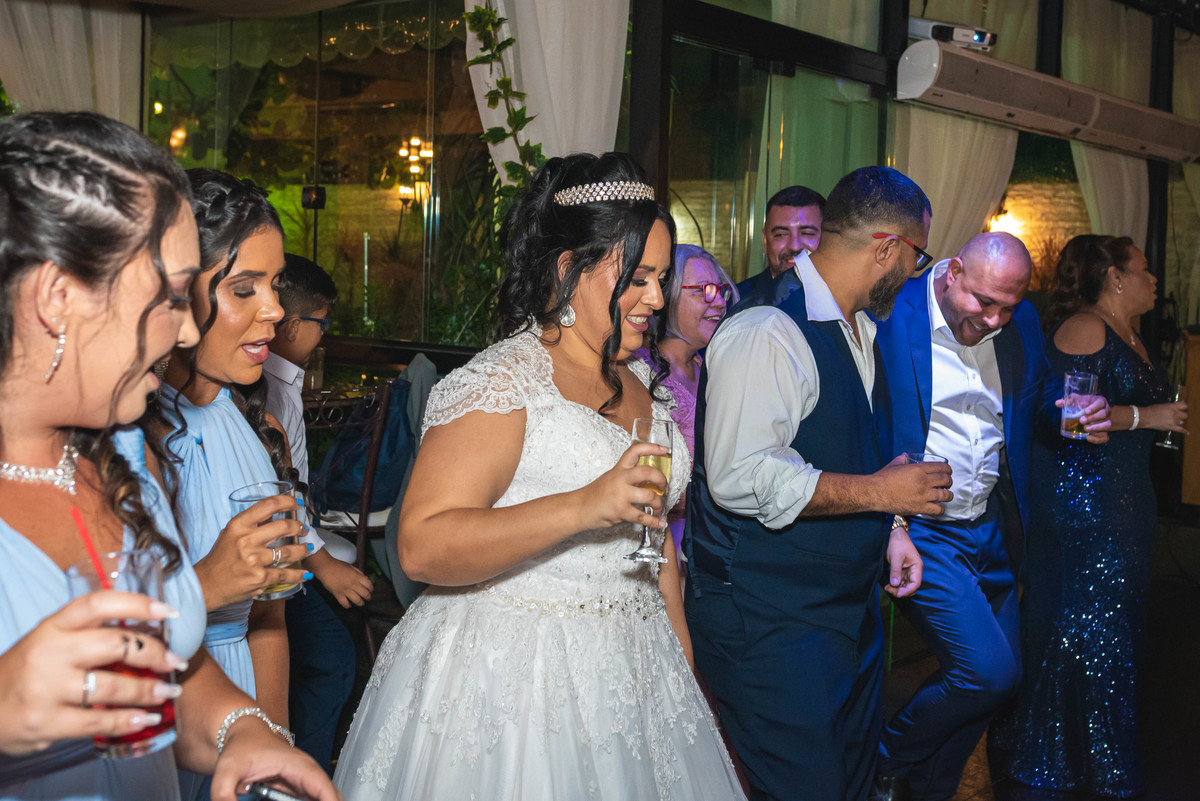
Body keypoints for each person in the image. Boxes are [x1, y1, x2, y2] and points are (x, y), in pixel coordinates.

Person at [332, 152, 746, 800]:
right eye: (637, 277)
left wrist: (681, 673)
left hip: (637, 672)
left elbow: (656, 545)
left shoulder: (640, 382)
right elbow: (420, 545)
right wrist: (583, 505)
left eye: (662, 278)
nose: (656, 298)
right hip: (515, 682)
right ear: (567, 267)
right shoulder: (503, 381)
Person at [0, 111, 339, 801]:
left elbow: (168, 676)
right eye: (169, 297)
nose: (186, 331)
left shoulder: (123, 456)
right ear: (58, 298)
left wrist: (242, 730)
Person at [685, 165, 952, 801]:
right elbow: (741, 475)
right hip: (770, 621)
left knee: (851, 785)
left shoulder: (860, 324)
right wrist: (882, 496)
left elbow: (852, 454)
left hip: (844, 614)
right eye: (917, 257)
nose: (915, 273)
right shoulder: (767, 329)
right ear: (887, 248)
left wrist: (892, 527)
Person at [873, 232, 1110, 801]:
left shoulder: (1021, 321)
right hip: (923, 528)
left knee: (999, 683)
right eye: (983, 302)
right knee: (986, 673)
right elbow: (865, 421)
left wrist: (1073, 408)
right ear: (954, 271)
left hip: (991, 525)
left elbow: (1037, 396)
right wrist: (892, 523)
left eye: (1008, 305)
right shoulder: (892, 313)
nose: (995, 319)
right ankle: (882, 758)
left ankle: (928, 787)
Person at [1003, 235, 1183, 798]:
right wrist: (1147, 416)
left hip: (1125, 499)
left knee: (1115, 628)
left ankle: (1099, 753)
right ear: (1115, 278)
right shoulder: (1087, 328)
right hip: (1086, 503)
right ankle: (1059, 754)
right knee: (1087, 626)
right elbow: (1071, 420)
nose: (1154, 279)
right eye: (1144, 268)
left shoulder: (1132, 335)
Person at [263, 252, 368, 773]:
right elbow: (283, 493)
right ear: (292, 324)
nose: (323, 336)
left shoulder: (283, 383)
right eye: (321, 324)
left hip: (293, 546)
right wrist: (323, 564)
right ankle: (301, 768)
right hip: (282, 554)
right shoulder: (269, 392)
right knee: (330, 661)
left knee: (324, 660)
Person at [635, 244, 738, 564]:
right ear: (667, 297)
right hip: (663, 544)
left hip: (711, 542)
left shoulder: (713, 366)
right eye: (703, 291)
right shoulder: (642, 374)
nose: (718, 302)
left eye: (720, 290)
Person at [735, 184, 825, 302]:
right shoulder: (737, 300)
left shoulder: (845, 299)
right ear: (765, 241)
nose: (794, 246)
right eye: (781, 235)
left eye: (807, 233)